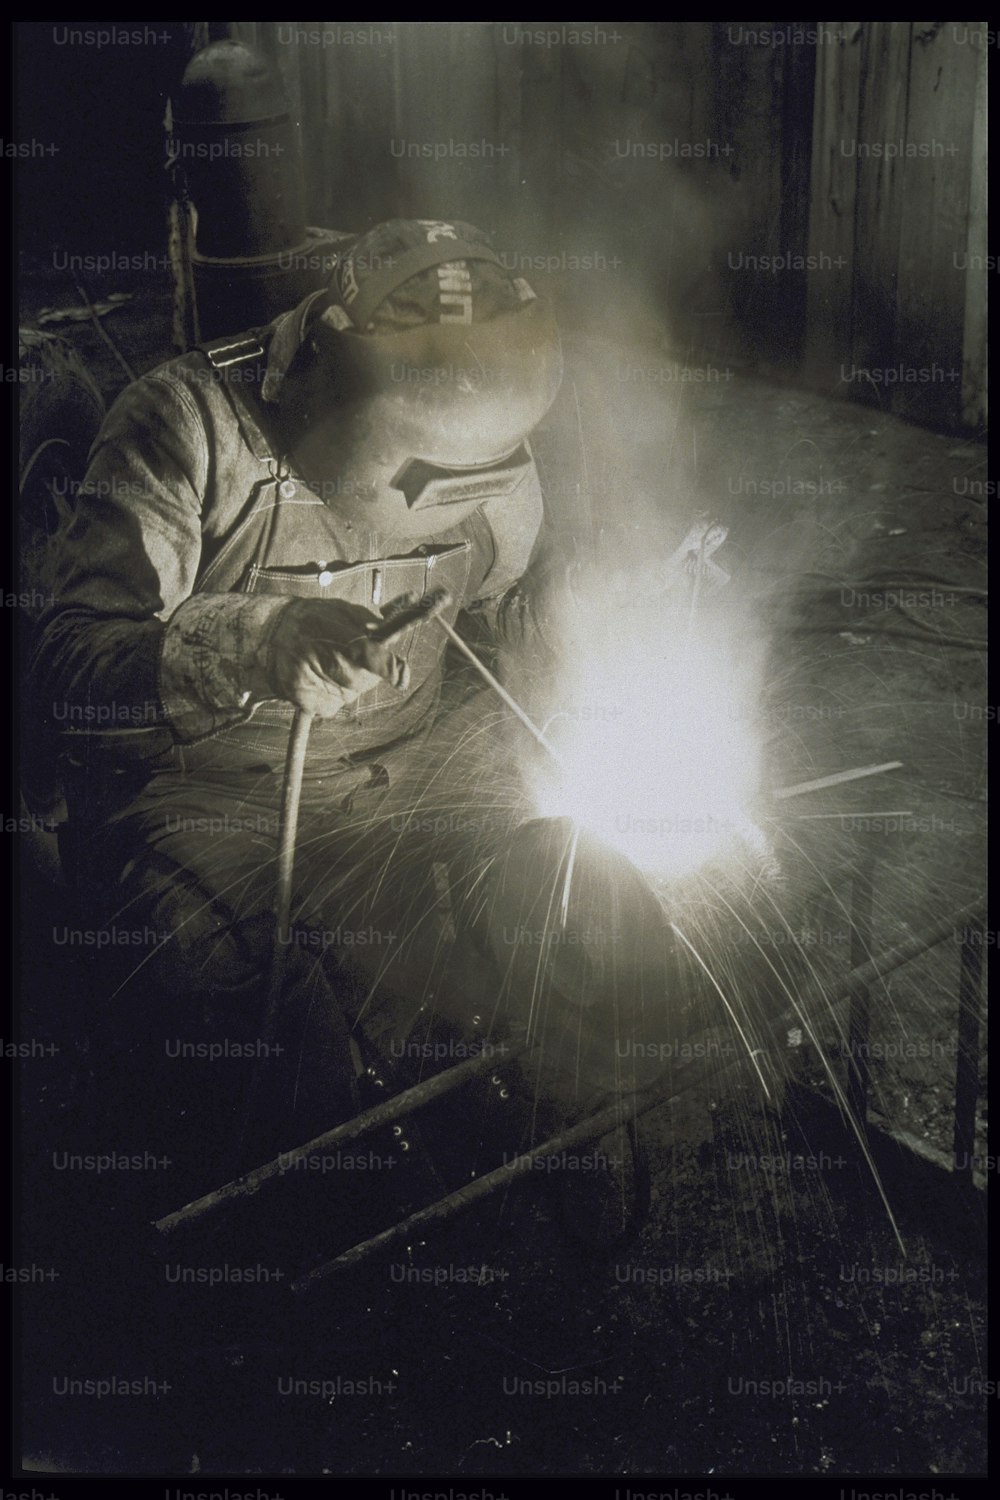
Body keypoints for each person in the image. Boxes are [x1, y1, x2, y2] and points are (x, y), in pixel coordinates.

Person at [31, 218, 568, 1208]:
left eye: (494, 462)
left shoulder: (491, 448)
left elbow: (505, 611)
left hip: (396, 785)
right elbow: (68, 669)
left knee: (554, 940)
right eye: (427, 474)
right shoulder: (182, 426)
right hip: (203, 804)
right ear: (312, 382)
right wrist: (252, 643)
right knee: (290, 1069)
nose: (463, 494)